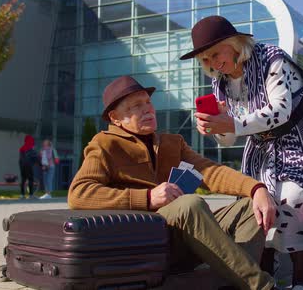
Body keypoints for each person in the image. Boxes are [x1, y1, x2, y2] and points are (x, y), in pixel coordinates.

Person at [184, 15, 303, 289]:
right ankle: (268, 273)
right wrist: (216, 127)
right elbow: (228, 140)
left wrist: (235, 123)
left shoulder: (272, 59)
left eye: (215, 53)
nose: (213, 63)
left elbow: (281, 110)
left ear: (233, 43)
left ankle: (300, 279)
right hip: (264, 142)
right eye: (205, 59)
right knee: (261, 199)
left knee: (293, 195)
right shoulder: (220, 85)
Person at [68, 76, 277, 290]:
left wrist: (256, 188)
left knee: (251, 207)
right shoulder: (104, 145)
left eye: (148, 102)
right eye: (136, 106)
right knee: (189, 204)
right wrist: (148, 198)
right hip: (145, 241)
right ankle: (261, 286)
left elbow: (211, 172)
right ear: (115, 118)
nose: (147, 109)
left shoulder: (172, 143)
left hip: (184, 237)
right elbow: (79, 193)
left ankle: (229, 283)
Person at [18, 135, 38, 199]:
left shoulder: (22, 149)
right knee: (30, 180)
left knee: (23, 180)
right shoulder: (31, 149)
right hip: (29, 166)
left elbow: (20, 159)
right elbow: (35, 159)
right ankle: (31, 195)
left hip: (22, 166)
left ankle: (22, 194)